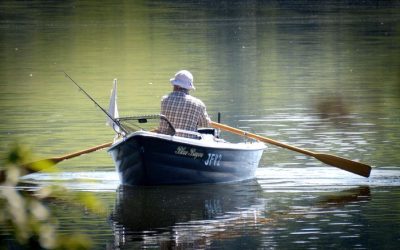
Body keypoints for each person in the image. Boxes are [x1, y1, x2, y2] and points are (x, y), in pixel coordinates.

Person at [158, 70, 211, 138]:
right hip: (188, 141)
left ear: (175, 85)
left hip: (165, 140)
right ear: (188, 87)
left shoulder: (164, 99)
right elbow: (205, 124)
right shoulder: (198, 104)